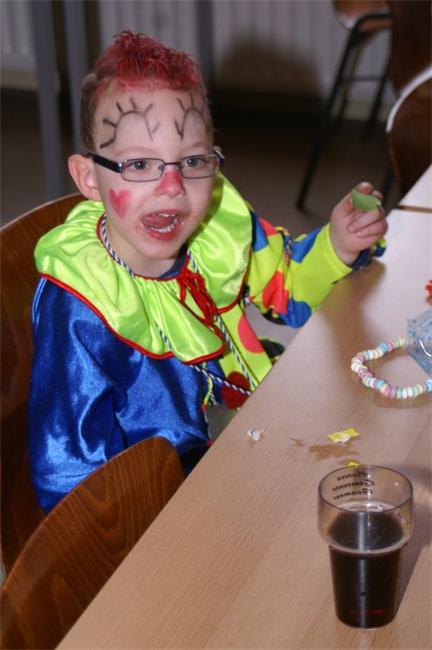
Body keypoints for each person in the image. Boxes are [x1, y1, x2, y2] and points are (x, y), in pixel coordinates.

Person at [29, 31, 387, 512]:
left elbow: (286, 287)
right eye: (140, 164)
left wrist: (337, 245)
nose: (172, 187)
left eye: (193, 161)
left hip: (257, 443)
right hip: (166, 510)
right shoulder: (83, 305)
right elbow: (70, 477)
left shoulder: (216, 226)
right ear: (90, 178)